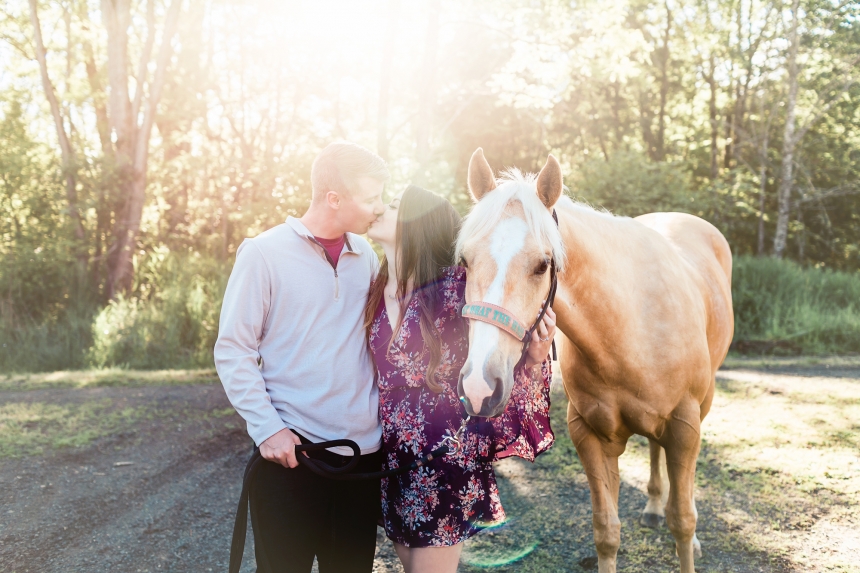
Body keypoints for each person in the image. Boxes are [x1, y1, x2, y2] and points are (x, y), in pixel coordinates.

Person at [215, 141, 389, 573]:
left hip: (361, 460)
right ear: (334, 198)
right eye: (369, 198)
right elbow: (233, 349)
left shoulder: (365, 255)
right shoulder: (263, 253)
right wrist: (268, 429)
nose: (378, 208)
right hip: (292, 458)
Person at [365, 185, 556, 573]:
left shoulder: (454, 288)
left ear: (418, 224)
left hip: (445, 458)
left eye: (395, 205)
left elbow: (494, 347)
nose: (381, 209)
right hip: (393, 462)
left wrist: (534, 356)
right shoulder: (371, 286)